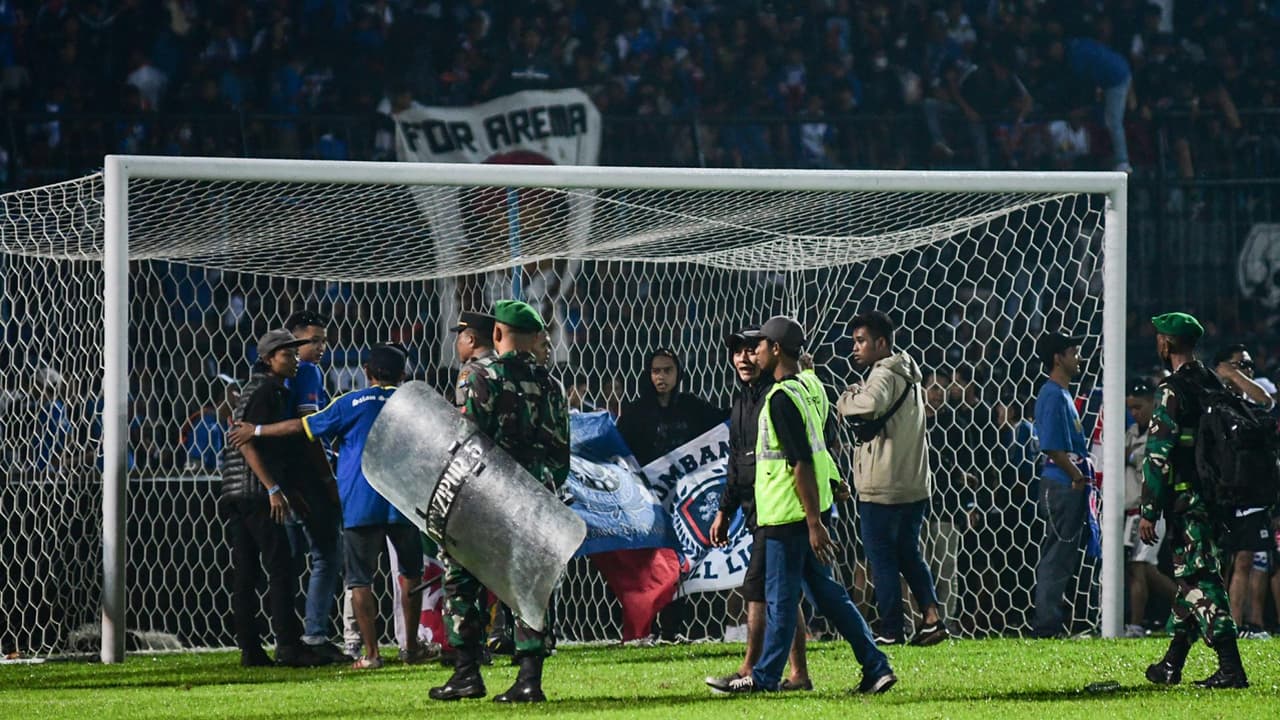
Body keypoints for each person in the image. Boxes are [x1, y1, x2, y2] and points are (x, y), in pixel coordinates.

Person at [228, 344, 438, 670]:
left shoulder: (350, 402)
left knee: (360, 579)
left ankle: (371, 655)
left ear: (366, 372)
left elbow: (303, 427)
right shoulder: (414, 403)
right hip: (402, 498)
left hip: (360, 500)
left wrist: (256, 429)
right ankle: (410, 648)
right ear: (403, 374)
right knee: (410, 573)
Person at [721, 316, 895, 695]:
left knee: (781, 601)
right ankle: (876, 666)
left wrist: (814, 522)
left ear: (775, 349)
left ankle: (764, 678)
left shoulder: (780, 399)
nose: (754, 352)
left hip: (788, 514)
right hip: (807, 512)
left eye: (760, 346)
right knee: (830, 597)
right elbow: (821, 445)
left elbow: (800, 461)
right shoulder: (809, 386)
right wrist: (830, 487)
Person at [430, 299, 570, 704]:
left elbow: (467, 440)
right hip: (535, 494)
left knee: (462, 579)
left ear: (496, 333)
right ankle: (529, 679)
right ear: (535, 337)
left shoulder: (479, 375)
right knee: (528, 584)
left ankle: (467, 673)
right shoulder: (551, 384)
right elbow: (561, 452)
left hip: (485, 494)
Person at [1141, 313, 1248, 689]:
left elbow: (1158, 454)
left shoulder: (1172, 389)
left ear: (1167, 343)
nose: (1157, 342)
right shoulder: (1211, 381)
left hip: (1187, 503)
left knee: (1200, 580)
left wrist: (1149, 510)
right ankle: (1171, 665)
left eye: (1160, 337)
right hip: (1216, 499)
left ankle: (1231, 668)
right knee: (1191, 581)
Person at [705, 327, 811, 693]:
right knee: (786, 592)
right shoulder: (740, 402)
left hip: (778, 506)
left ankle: (751, 668)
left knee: (758, 588)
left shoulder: (776, 397)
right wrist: (724, 510)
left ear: (768, 352)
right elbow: (737, 461)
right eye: (737, 352)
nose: (743, 358)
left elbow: (800, 455)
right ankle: (799, 673)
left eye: (751, 350)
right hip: (757, 509)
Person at [836, 311, 948, 647]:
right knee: (908, 553)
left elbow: (870, 404)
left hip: (884, 485)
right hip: (913, 482)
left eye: (861, 341)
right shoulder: (908, 372)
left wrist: (846, 398)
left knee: (881, 556)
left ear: (881, 343)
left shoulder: (884, 372)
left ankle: (890, 629)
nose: (855, 348)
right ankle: (931, 618)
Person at [219, 329, 325, 668]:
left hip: (236, 491)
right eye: (287, 355)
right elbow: (245, 441)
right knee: (281, 567)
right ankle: (289, 645)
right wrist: (273, 489)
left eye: (294, 354)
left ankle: (250, 649)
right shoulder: (267, 391)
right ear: (267, 359)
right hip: (255, 493)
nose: (294, 360)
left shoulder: (257, 389)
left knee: (247, 573)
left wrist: (289, 491)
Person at [616, 347, 724, 641]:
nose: (661, 376)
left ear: (678, 373)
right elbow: (620, 450)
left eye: (667, 370)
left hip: (685, 503)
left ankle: (671, 629)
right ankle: (645, 628)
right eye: (656, 371)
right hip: (647, 503)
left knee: (679, 562)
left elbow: (722, 425)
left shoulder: (693, 407)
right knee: (648, 564)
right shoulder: (636, 413)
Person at [282, 310, 346, 662]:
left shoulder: (276, 376)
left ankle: (287, 638)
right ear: (295, 341)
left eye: (324, 340)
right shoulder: (307, 371)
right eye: (315, 340)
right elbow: (309, 429)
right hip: (309, 479)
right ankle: (315, 634)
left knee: (289, 561)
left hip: (284, 478)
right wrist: (326, 477)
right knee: (326, 556)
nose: (322, 347)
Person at [1030, 331, 1092, 639]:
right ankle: (1046, 626)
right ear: (1058, 358)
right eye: (1074, 352)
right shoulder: (1053, 394)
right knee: (1056, 556)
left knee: (1062, 555)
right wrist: (1077, 475)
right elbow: (1052, 446)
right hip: (1062, 483)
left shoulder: (1061, 393)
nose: (1079, 358)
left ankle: (1054, 621)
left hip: (1065, 482)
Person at [1211, 344, 1275, 640]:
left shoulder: (1249, 399)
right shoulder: (1212, 398)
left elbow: (1267, 402)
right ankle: (1221, 623)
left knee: (1246, 558)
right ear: (1222, 367)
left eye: (1249, 365)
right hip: (1220, 493)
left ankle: (1237, 625)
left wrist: (1236, 375)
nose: (1247, 370)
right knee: (1225, 562)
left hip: (1248, 493)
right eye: (1241, 364)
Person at [1122, 378, 1175, 637]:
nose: (1134, 413)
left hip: (1151, 511)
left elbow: (1153, 464)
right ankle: (1191, 606)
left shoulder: (1160, 431)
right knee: (1145, 569)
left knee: (1139, 567)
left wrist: (1130, 456)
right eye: (1130, 408)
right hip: (1132, 512)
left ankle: (1135, 625)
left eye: (1138, 407)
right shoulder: (1131, 432)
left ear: (1152, 404)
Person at [451, 311, 498, 407]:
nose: (457, 344)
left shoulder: (470, 370)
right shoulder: (503, 365)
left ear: (471, 340)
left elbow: (462, 409)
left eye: (459, 338)